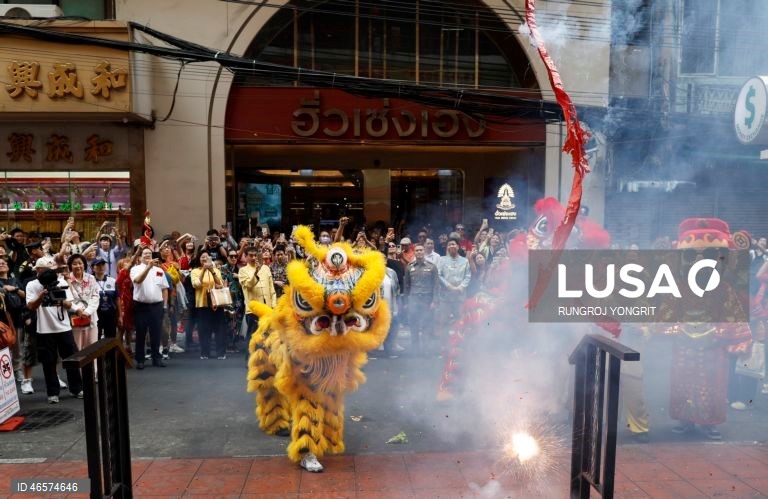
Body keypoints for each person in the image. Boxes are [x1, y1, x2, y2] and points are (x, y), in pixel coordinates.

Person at [25, 256, 84, 403]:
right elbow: (31, 306)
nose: (49, 273)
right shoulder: (32, 285)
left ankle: (76, 388)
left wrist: (59, 297)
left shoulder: (62, 282)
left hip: (63, 327)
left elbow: (70, 305)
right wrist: (42, 294)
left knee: (71, 359)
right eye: (45, 270)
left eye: (51, 270)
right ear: (38, 270)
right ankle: (53, 392)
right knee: (48, 362)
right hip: (44, 330)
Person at [130, 248, 170, 369]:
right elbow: (137, 281)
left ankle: (156, 357)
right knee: (141, 333)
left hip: (157, 306)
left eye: (149, 253)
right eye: (145, 253)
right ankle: (140, 359)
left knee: (156, 333)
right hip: (140, 306)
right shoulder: (135, 269)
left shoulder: (159, 271)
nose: (148, 255)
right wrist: (148, 267)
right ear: (140, 257)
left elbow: (164, 289)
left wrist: (164, 305)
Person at [238, 246, 276, 362]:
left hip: (267, 309)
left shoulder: (266, 268)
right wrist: (256, 273)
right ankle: (250, 359)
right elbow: (248, 285)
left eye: (255, 255)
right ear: (245, 256)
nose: (254, 258)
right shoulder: (243, 271)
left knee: (268, 335)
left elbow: (271, 289)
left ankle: (267, 360)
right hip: (253, 309)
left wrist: (274, 306)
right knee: (253, 335)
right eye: (251, 255)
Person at [436, 237, 471, 348]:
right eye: (450, 244)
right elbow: (438, 275)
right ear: (447, 247)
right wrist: (449, 286)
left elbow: (468, 276)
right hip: (445, 296)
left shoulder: (465, 261)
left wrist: (461, 287)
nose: (452, 246)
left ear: (458, 246)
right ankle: (444, 346)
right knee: (443, 322)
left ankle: (459, 345)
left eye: (454, 244)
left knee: (460, 321)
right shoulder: (441, 260)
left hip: (460, 296)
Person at [191, 253, 227, 360]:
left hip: (216, 303)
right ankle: (204, 353)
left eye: (207, 257)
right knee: (203, 329)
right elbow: (196, 284)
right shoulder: (195, 271)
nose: (205, 259)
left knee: (220, 329)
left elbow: (220, 285)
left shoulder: (217, 271)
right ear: (199, 259)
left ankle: (221, 353)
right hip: (203, 304)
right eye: (202, 257)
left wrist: (212, 271)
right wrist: (203, 270)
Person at [404, 243, 438, 356]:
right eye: (417, 250)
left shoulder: (432, 267)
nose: (419, 252)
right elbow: (406, 286)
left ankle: (426, 350)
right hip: (413, 300)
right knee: (414, 326)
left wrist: (435, 301)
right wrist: (406, 302)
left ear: (424, 252)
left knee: (426, 325)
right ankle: (415, 351)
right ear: (414, 252)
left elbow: (436, 286)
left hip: (427, 300)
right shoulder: (409, 266)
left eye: (421, 250)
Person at [66, 254, 100, 351]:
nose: (78, 266)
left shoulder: (91, 278)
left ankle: (94, 367)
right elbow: (67, 299)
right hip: (75, 319)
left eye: (80, 263)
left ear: (84, 265)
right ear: (70, 266)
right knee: (77, 349)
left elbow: (95, 296)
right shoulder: (66, 280)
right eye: (74, 264)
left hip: (91, 318)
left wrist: (88, 311)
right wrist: (77, 309)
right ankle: (79, 367)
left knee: (93, 349)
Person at [0, 257, 25, 381]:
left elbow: (25, 295)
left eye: (4, 263)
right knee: (2, 346)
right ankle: (5, 373)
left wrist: (14, 289)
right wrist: (4, 290)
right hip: (1, 319)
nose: (2, 265)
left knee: (17, 347)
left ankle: (17, 370)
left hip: (16, 318)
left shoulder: (15, 280)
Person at [91, 258, 118, 339]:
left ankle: (110, 352)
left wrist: (119, 315)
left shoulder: (112, 280)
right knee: (96, 338)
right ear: (93, 268)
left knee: (111, 339)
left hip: (110, 314)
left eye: (103, 264)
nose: (101, 267)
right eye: (98, 265)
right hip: (96, 314)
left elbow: (117, 298)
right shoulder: (90, 281)